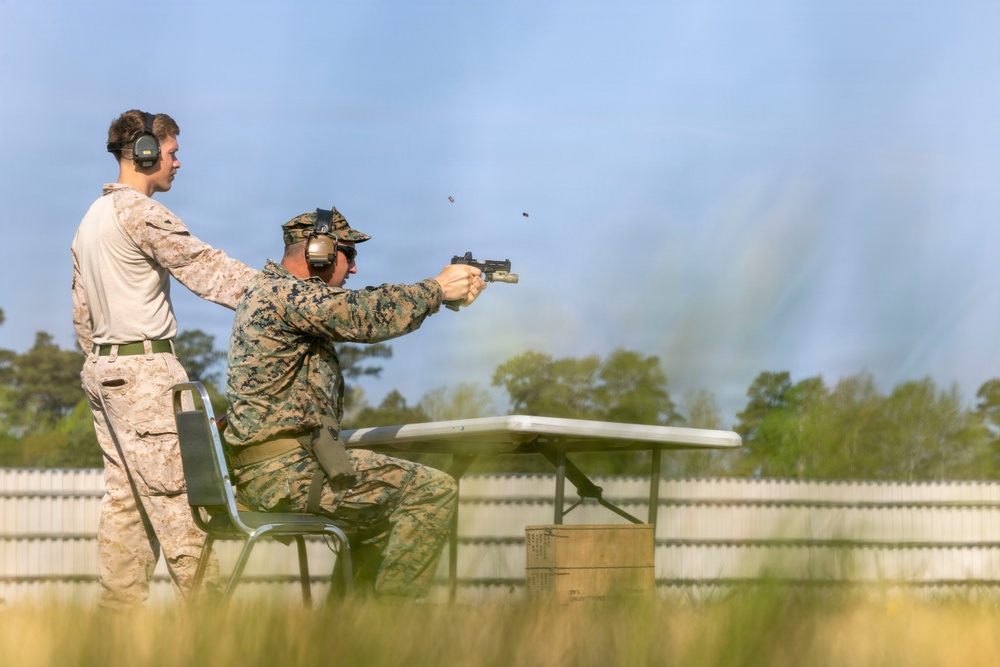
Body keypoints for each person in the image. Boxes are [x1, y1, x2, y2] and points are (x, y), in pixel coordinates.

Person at [224, 207, 485, 598]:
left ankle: (347, 634)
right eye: (350, 254)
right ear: (320, 251)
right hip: (282, 474)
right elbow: (364, 315)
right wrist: (436, 289)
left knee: (379, 519)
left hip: (272, 471)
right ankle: (389, 631)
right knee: (433, 490)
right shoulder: (286, 295)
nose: (354, 269)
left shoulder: (270, 294)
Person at [71, 109, 256, 609]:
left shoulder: (90, 220)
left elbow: (82, 319)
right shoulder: (140, 213)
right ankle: (211, 637)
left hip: (104, 374)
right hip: (145, 373)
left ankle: (112, 641)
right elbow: (207, 270)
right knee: (182, 508)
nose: (179, 162)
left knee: (127, 509)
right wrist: (281, 296)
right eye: (172, 153)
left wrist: (108, 369)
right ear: (148, 152)